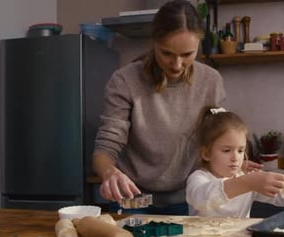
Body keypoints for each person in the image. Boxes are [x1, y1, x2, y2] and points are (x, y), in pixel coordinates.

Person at [92, 0, 260, 215]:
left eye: (187, 54)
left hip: (187, 197)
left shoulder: (210, 81)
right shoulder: (125, 81)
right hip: (132, 197)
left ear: (199, 45)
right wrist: (109, 172)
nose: (177, 64)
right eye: (167, 53)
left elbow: (217, 137)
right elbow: (105, 147)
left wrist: (231, 164)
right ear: (154, 42)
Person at [186, 106, 284, 218]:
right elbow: (201, 199)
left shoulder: (248, 179)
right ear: (206, 153)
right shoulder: (198, 178)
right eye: (226, 150)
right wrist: (247, 183)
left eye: (240, 150)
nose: (235, 157)